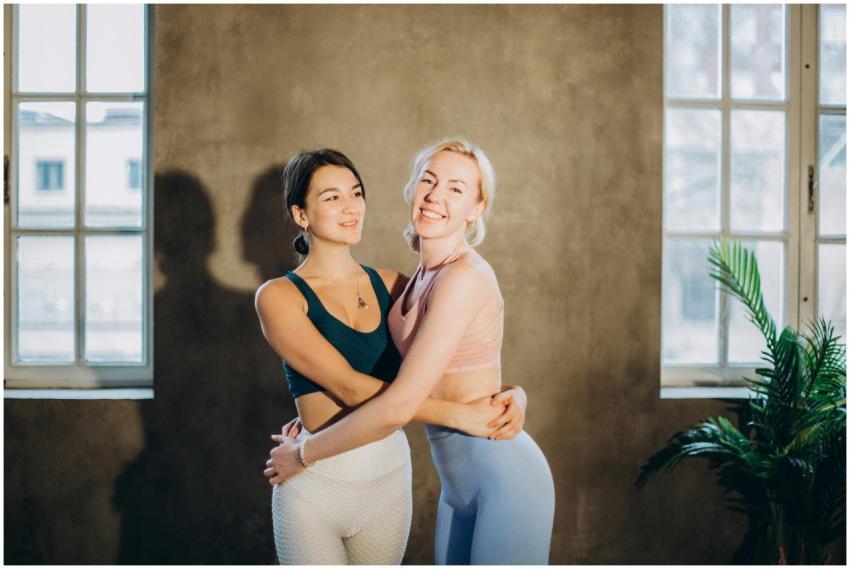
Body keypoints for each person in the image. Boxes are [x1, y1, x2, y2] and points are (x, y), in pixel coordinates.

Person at [266, 139, 555, 565]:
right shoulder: (412, 282)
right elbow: (368, 381)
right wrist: (315, 411)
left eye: (456, 189)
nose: (436, 195)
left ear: (477, 208)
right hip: (455, 483)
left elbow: (401, 398)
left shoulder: (446, 278)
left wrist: (510, 394)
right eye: (429, 180)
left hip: (498, 473)